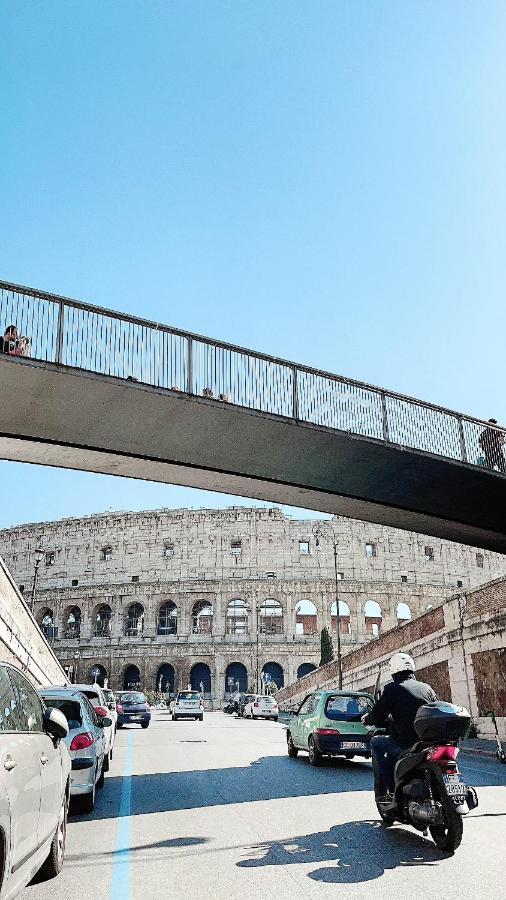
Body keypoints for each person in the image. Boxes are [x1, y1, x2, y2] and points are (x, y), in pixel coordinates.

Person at [362, 653, 437, 800]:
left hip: (405, 742)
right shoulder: (426, 688)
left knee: (376, 742)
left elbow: (378, 715)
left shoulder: (392, 689)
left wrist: (367, 719)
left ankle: (387, 791)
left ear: (393, 671)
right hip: (428, 741)